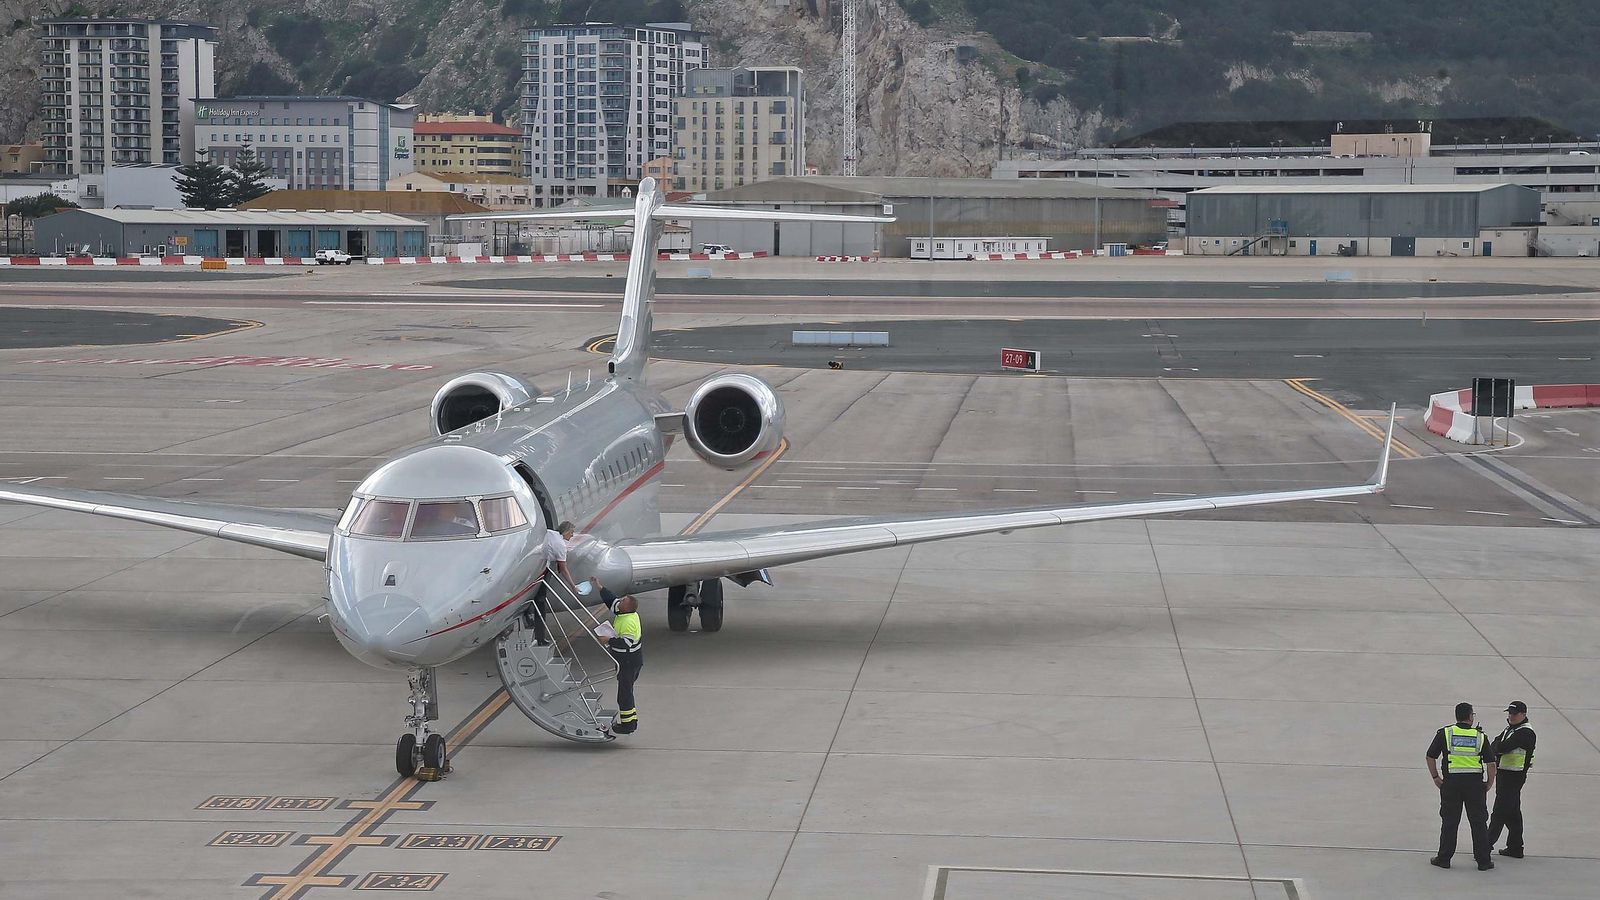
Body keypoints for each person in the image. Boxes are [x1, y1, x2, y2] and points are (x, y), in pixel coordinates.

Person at [1427, 701, 1497, 871]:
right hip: (1474, 785)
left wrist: (1436, 777)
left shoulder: (1445, 733)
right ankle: (1483, 861)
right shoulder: (1480, 736)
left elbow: (1430, 756)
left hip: (1451, 784)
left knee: (1450, 822)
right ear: (1470, 717)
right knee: (1478, 823)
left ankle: (1444, 858)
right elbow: (1491, 763)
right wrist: (1489, 782)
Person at [1488, 700, 1537, 859]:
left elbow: (1502, 747)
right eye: (1509, 713)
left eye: (1514, 714)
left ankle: (1485, 846)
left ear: (1523, 714)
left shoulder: (1525, 733)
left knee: (1499, 812)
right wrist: (1497, 747)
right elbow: (1495, 743)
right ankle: (1516, 847)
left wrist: (1497, 747)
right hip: (1505, 775)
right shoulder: (1510, 728)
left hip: (1514, 777)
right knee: (1513, 813)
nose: (1511, 716)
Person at [596, 590, 643, 734]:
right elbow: (612, 601)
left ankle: (628, 725)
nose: (619, 601)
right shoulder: (627, 613)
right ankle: (631, 721)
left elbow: (626, 643)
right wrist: (600, 587)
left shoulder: (628, 622)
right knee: (627, 693)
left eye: (623, 601)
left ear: (627, 607)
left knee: (624, 695)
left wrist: (608, 640)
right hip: (630, 662)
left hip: (629, 663)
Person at [528, 521, 577, 646]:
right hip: (539, 571)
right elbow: (563, 568)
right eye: (571, 532)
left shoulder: (550, 533)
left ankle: (528, 617)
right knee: (540, 603)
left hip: (531, 567)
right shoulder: (560, 545)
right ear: (565, 531)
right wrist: (572, 586)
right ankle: (540, 637)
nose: (572, 535)